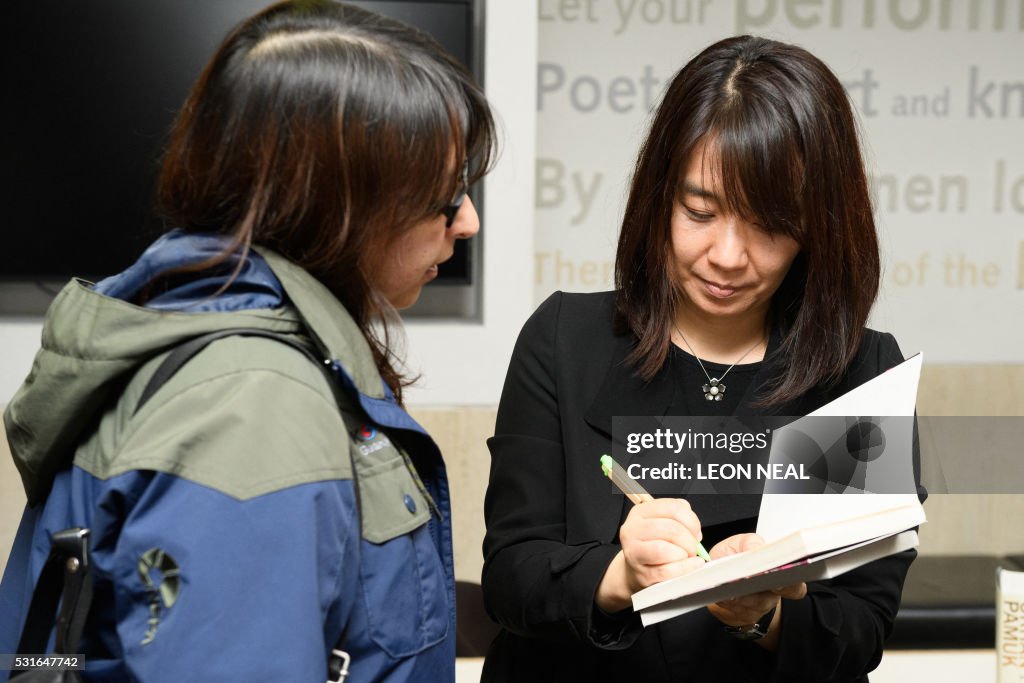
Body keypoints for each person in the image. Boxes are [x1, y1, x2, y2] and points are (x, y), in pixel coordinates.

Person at [0, 1, 495, 680]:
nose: (466, 221)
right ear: (337, 202)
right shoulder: (251, 405)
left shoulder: (212, 341)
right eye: (445, 195)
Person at [481, 35, 921, 682]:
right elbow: (513, 576)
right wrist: (620, 574)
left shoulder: (859, 375)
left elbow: (857, 631)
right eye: (700, 211)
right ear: (658, 196)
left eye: (769, 225)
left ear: (819, 226)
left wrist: (762, 614)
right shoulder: (565, 339)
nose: (727, 255)